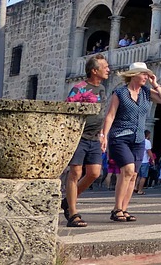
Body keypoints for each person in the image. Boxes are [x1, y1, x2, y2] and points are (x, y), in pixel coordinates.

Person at [101, 62, 161, 222]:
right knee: (127, 169)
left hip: (138, 138)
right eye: (144, 74)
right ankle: (116, 209)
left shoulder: (146, 92)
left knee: (133, 175)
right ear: (134, 75)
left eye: (147, 74)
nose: (146, 77)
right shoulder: (119, 92)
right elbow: (110, 115)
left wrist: (155, 84)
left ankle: (124, 209)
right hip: (120, 136)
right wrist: (104, 135)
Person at [61, 54, 110, 227]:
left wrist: (103, 135)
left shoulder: (102, 89)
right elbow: (68, 110)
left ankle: (68, 200)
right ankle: (73, 213)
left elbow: (103, 114)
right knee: (75, 173)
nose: (108, 69)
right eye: (105, 67)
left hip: (95, 137)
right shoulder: (79, 88)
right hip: (79, 136)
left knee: (95, 173)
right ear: (94, 70)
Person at [134, 129, 153, 195]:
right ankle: (140, 190)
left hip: (138, 160)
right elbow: (149, 151)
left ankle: (135, 187)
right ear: (148, 135)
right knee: (143, 176)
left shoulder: (139, 141)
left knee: (139, 175)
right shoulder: (147, 142)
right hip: (145, 161)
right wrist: (152, 159)